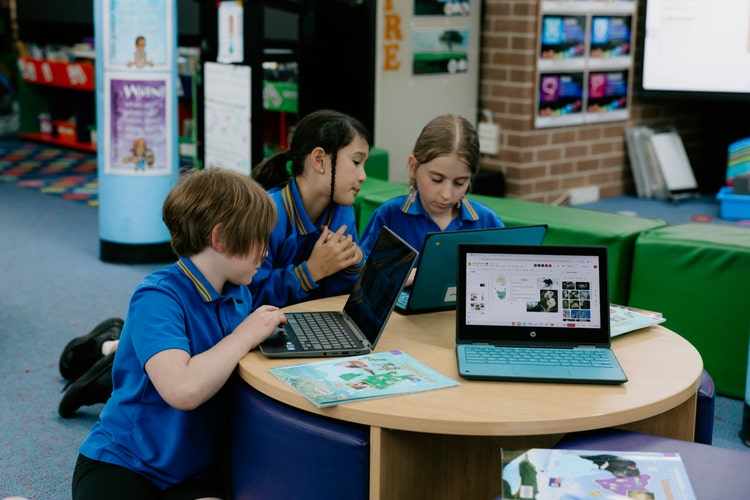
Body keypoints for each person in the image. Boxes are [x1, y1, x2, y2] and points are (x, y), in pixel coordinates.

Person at [70, 167, 286, 499]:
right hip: (125, 463)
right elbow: (183, 390)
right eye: (259, 238)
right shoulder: (156, 296)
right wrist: (246, 333)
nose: (266, 251)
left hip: (192, 470)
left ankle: (108, 351)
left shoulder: (238, 293)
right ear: (221, 238)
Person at [250, 109, 370, 310]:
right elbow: (247, 298)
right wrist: (309, 273)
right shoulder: (267, 215)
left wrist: (352, 265)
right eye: (356, 162)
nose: (363, 176)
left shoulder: (342, 211)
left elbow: (336, 298)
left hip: (311, 328)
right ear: (319, 160)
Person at [359, 114, 504, 281]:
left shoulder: (487, 222)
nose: (446, 194)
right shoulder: (389, 216)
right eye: (437, 179)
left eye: (459, 182)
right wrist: (404, 277)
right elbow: (362, 280)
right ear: (413, 167)